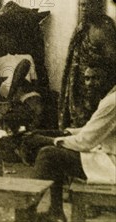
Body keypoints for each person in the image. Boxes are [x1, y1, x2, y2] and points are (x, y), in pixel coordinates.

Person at [27, 84, 116, 222]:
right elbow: (92, 129)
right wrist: (63, 133)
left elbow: (85, 141)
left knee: (49, 155)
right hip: (108, 156)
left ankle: (25, 214)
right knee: (56, 154)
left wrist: (48, 140)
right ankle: (55, 212)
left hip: (111, 164)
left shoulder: (113, 101)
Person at [60, 0, 116, 129]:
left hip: (95, 88)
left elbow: (112, 60)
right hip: (78, 86)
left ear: (98, 6)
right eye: (81, 5)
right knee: (76, 125)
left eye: (88, 5)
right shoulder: (82, 27)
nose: (83, 8)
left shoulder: (104, 29)